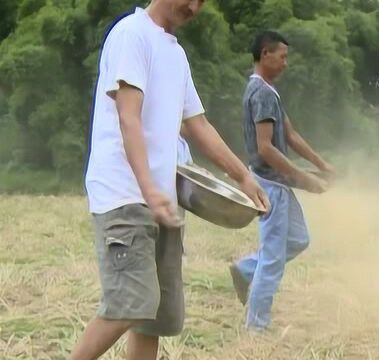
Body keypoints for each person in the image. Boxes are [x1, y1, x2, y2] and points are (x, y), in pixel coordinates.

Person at [73, 1, 269, 359]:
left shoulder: (175, 54)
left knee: (155, 319)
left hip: (163, 202)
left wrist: (243, 176)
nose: (194, 7)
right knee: (132, 304)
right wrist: (148, 188)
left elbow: (198, 125)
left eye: (202, 1)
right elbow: (128, 118)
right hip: (125, 195)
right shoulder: (131, 35)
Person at [229, 31, 335, 332]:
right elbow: (265, 147)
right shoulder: (260, 92)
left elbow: (289, 135)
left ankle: (247, 269)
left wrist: (321, 164)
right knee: (274, 259)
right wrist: (303, 179)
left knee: (300, 239)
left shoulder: (269, 91)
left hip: (278, 183)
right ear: (265, 54)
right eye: (282, 56)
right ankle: (257, 329)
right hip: (271, 185)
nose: (286, 63)